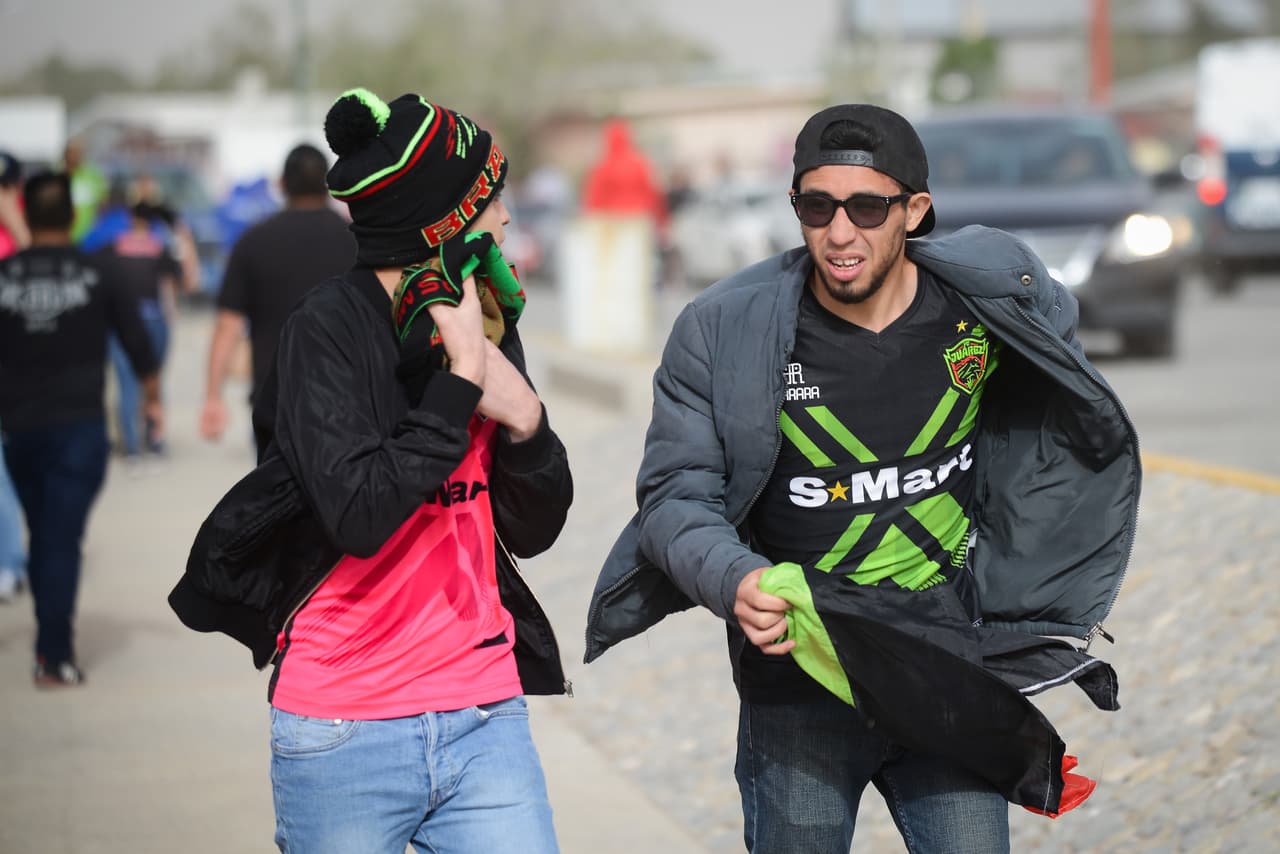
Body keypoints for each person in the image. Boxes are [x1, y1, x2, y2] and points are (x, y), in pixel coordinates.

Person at [584, 104, 1140, 852]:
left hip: (945, 667)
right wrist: (734, 579)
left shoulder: (989, 300)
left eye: (867, 208)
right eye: (817, 207)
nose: (839, 233)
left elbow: (1056, 393)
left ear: (914, 210)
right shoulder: (722, 331)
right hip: (800, 683)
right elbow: (675, 496)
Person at [170, 88, 573, 852]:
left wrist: (528, 424)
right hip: (343, 725)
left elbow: (534, 529)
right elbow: (359, 515)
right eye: (491, 200)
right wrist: (459, 385)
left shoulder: (483, 316)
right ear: (447, 220)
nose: (505, 219)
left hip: (484, 710)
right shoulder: (325, 330)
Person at [0, 172, 161, 686]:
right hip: (78, 429)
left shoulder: (5, 274)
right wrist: (153, 400)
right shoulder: (99, 272)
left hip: (19, 430)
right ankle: (53, 655)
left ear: (26, 215)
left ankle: (51, 644)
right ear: (73, 216)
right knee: (59, 538)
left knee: (46, 534)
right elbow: (138, 342)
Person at [198, 143, 357, 460]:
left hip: (276, 399)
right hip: (349, 396)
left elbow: (228, 325)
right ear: (328, 183)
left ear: (282, 184)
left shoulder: (253, 242)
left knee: (277, 490)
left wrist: (213, 396)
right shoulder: (357, 241)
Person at [100, 200, 189, 460]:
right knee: (153, 381)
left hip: (121, 322)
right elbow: (178, 284)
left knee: (127, 384)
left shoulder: (113, 248)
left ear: (130, 218)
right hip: (155, 320)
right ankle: (155, 439)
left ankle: (131, 446)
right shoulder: (159, 247)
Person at [0, 150, 30, 602]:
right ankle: (10, 560)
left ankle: (11, 560)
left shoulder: (24, 217)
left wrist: (12, 216)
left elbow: (46, 261)